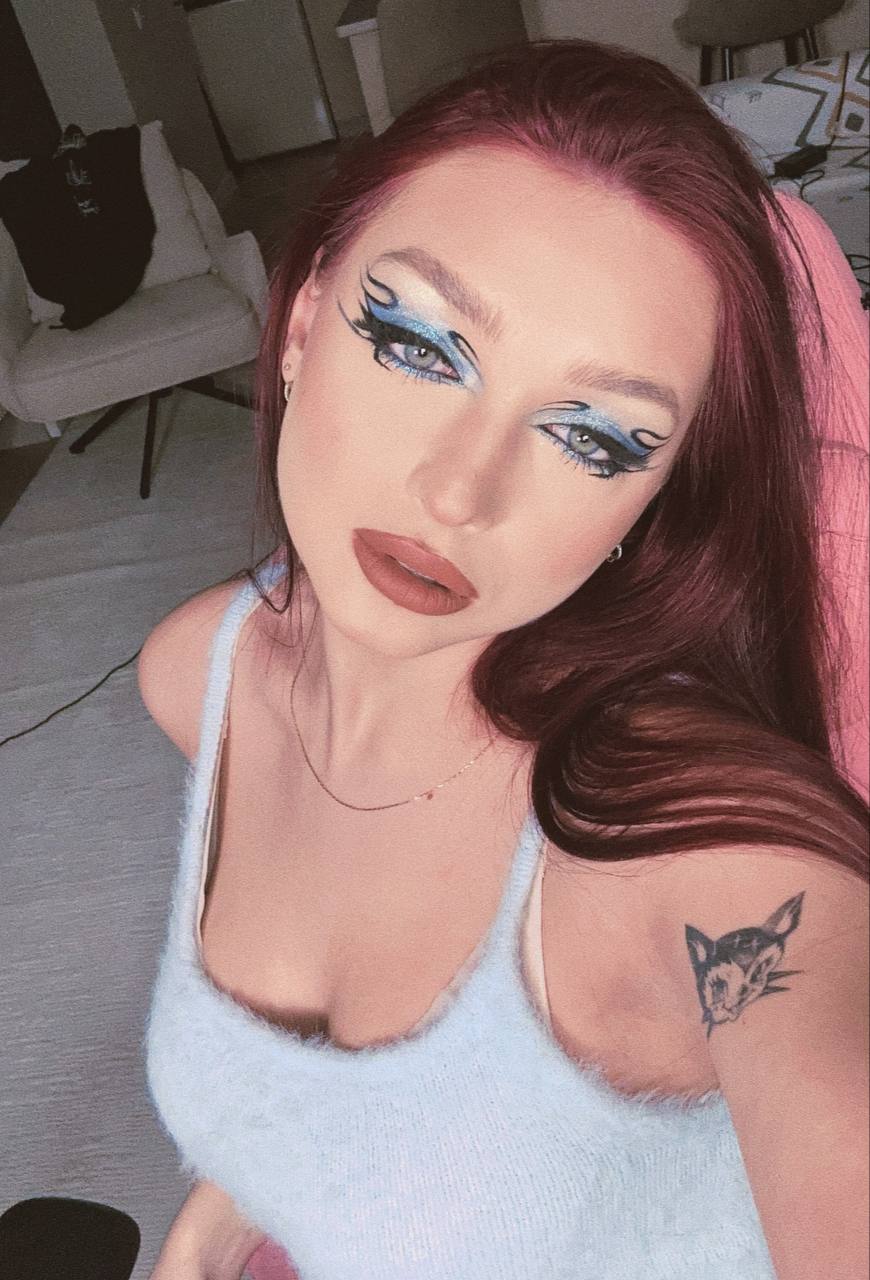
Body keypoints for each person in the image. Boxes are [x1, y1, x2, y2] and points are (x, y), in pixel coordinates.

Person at [139, 39, 869, 1280]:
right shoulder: (197, 673)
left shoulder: (701, 853)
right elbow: (290, 1114)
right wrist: (206, 1231)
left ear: (647, 502)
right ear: (304, 321)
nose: (459, 491)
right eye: (420, 346)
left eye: (594, 437)